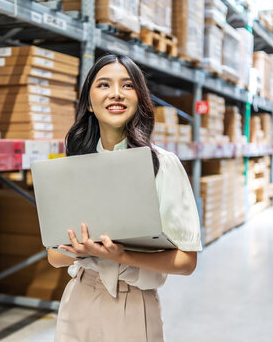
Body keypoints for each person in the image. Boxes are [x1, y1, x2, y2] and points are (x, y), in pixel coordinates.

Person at [47, 54, 202, 341]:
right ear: (89, 103)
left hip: (131, 304)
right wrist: (82, 249)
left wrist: (124, 256)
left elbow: (187, 261)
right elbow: (54, 257)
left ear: (140, 100)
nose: (115, 93)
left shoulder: (163, 165)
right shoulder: (74, 166)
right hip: (78, 299)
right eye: (104, 85)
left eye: (127, 86)